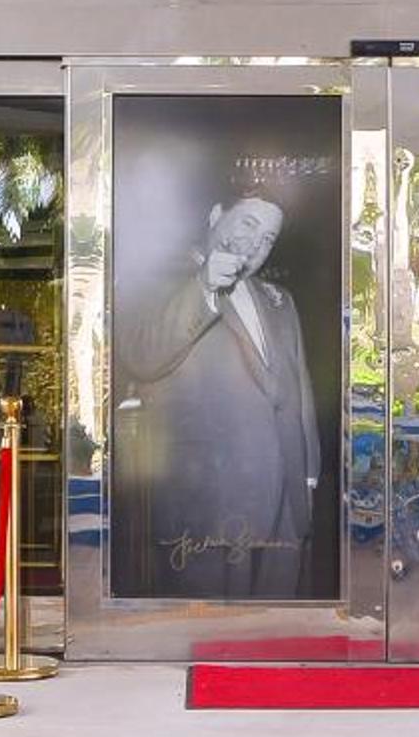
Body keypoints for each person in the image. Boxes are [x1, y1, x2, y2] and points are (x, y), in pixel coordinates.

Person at [115, 196, 322, 598]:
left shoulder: (280, 300)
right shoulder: (154, 280)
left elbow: (299, 392)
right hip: (204, 509)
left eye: (268, 238)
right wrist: (205, 287)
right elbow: (141, 356)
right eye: (247, 223)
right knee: (211, 628)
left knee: (278, 628)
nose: (255, 243)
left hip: (284, 503)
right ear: (215, 215)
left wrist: (308, 476)